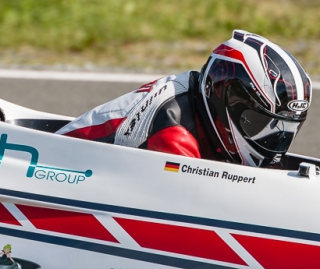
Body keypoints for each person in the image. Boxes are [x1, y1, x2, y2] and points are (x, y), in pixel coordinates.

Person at [56, 30, 313, 167]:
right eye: (258, 123)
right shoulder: (174, 139)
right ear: (223, 97)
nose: (273, 143)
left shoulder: (199, 99)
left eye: (285, 131)